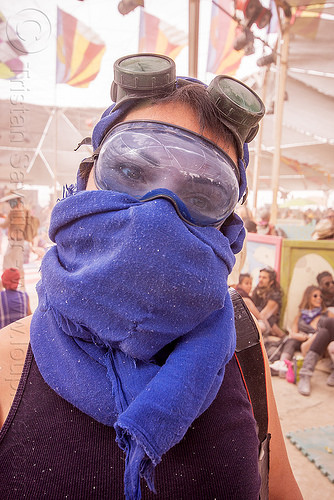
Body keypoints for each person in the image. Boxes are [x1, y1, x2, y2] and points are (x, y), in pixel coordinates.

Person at [0, 53, 301, 499]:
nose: (157, 214)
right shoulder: (7, 360)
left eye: (203, 193)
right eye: (128, 170)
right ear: (83, 180)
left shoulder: (243, 336)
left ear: (229, 230)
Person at [270, 285, 334, 377]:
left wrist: (311, 337)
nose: (319, 298)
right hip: (304, 341)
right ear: (308, 298)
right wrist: (301, 336)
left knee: (322, 332)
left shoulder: (328, 314)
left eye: (321, 296)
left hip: (320, 342)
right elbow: (293, 333)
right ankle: (283, 364)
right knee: (291, 340)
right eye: (315, 296)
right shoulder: (300, 317)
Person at [0, 192, 26, 287]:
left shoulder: (13, 212)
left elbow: (4, 225)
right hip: (20, 240)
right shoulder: (22, 212)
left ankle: (5, 284)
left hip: (13, 241)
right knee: (18, 263)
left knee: (6, 262)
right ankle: (22, 286)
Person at [252, 266, 286, 338]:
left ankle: (281, 335)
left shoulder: (275, 295)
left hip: (268, 323)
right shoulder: (256, 291)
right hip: (260, 321)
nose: (260, 280)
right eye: (260, 277)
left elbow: (264, 315)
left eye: (264, 278)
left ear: (271, 282)